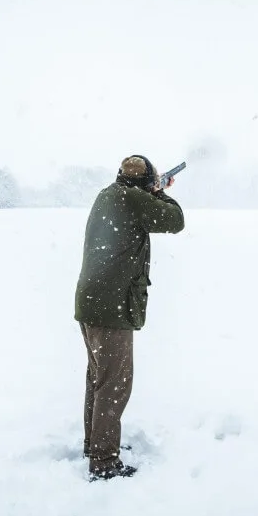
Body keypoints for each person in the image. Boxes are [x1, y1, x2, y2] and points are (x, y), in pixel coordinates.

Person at [74, 155, 185, 481]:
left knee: (98, 379)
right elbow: (176, 220)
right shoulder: (135, 199)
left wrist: (152, 188)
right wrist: (160, 191)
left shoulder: (108, 193)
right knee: (114, 386)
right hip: (111, 307)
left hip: (91, 302)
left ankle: (94, 444)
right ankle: (104, 463)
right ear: (146, 181)